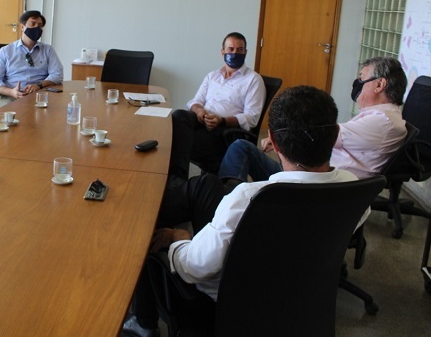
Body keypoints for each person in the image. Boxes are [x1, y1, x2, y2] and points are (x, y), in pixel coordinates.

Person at [123, 85, 356, 337]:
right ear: (335, 134)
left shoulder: (249, 198)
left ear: (273, 141)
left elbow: (196, 268)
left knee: (144, 225)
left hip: (225, 309)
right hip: (300, 302)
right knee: (208, 185)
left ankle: (143, 323)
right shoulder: (354, 188)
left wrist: (179, 239)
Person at [218, 57, 407, 190]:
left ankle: (226, 196)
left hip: (311, 185)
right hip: (313, 175)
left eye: (362, 78)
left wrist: (279, 138)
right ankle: (229, 188)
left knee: (241, 149)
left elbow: (320, 133)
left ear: (379, 85)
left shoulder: (382, 121)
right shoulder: (380, 116)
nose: (357, 83)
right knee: (241, 147)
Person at [169, 32, 265, 178]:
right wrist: (200, 111)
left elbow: (252, 118)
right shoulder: (212, 76)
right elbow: (195, 101)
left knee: (184, 140)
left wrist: (221, 120)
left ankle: (179, 179)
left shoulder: (253, 80)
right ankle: (179, 178)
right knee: (178, 116)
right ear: (223, 52)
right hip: (203, 120)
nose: (235, 53)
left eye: (239, 50)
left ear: (245, 52)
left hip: (226, 130)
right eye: (230, 49)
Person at [0, 10, 63, 107]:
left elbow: (57, 74)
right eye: (33, 24)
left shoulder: (48, 50)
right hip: (12, 97)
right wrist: (11, 92)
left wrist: (39, 85)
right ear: (22, 27)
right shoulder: (5, 51)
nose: (37, 28)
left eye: (40, 25)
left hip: (40, 96)